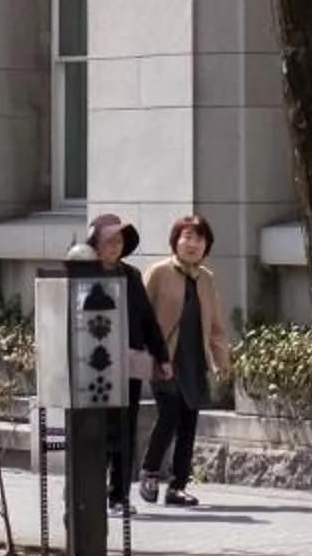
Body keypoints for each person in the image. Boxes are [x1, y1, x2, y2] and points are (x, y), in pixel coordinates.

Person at [138, 213, 232, 508]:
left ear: (207, 246)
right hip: (164, 359)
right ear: (175, 241)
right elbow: (139, 314)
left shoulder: (206, 279)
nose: (193, 244)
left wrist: (221, 360)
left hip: (194, 360)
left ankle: (177, 486)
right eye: (187, 237)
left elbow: (215, 323)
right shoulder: (159, 272)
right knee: (169, 417)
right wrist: (146, 353)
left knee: (189, 422)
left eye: (199, 238)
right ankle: (150, 472)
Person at [81, 213, 168, 515]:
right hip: (92, 368)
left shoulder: (130, 276)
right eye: (108, 242)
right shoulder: (84, 276)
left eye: (119, 242)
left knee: (125, 429)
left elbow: (147, 319)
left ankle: (119, 495)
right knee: (98, 430)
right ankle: (90, 492)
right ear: (95, 245)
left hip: (127, 364)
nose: (114, 248)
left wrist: (162, 357)